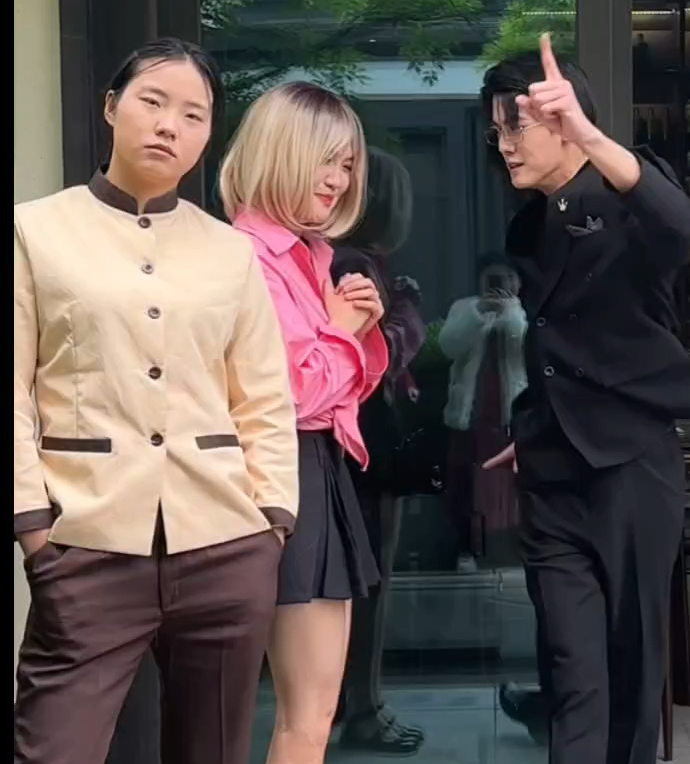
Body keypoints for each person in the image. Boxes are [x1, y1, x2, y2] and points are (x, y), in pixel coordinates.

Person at [13, 39, 298, 764]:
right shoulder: (34, 231)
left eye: (194, 115)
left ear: (207, 136)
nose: (170, 125)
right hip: (87, 540)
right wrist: (35, 530)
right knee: (52, 750)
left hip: (225, 543)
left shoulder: (229, 251)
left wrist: (272, 520)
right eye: (153, 102)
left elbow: (263, 397)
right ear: (112, 108)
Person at [480, 35, 690, 764]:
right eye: (496, 132)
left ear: (565, 120)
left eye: (515, 127)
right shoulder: (528, 225)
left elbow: (681, 224)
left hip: (631, 468)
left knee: (632, 665)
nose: (504, 146)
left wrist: (590, 136)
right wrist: (541, 422)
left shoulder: (628, 199)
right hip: (552, 473)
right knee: (571, 670)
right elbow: (553, 343)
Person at [220, 81, 388, 764]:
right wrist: (345, 332)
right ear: (280, 152)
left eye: (347, 164)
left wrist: (355, 328)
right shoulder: (247, 257)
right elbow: (287, 396)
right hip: (280, 471)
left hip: (312, 470)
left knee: (311, 713)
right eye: (325, 159)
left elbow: (336, 397)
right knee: (303, 718)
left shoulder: (306, 255)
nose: (338, 179)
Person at [331, 146, 428, 755]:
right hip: (363, 443)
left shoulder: (345, 258)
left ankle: (355, 704)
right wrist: (409, 310)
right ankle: (362, 708)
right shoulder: (354, 264)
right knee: (370, 582)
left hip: (357, 442)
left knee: (360, 582)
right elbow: (380, 351)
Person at [441, 253, 529, 572]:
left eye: (506, 279)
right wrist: (480, 314)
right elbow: (449, 346)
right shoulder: (465, 308)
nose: (499, 285)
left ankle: (514, 548)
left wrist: (510, 312)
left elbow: (525, 346)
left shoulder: (526, 311)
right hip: (470, 413)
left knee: (512, 486)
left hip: (509, 416)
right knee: (465, 484)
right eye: (491, 279)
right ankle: (466, 548)